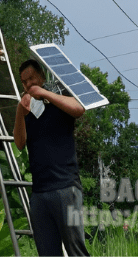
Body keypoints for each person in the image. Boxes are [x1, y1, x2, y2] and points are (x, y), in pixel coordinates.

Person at [13, 59, 90, 256]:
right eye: (24, 82)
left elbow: (79, 109)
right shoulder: (28, 109)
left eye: (32, 78)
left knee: (75, 249)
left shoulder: (59, 98)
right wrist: (20, 112)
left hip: (66, 187)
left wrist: (45, 93)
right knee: (46, 252)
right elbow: (20, 143)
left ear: (41, 76)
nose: (29, 84)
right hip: (39, 193)